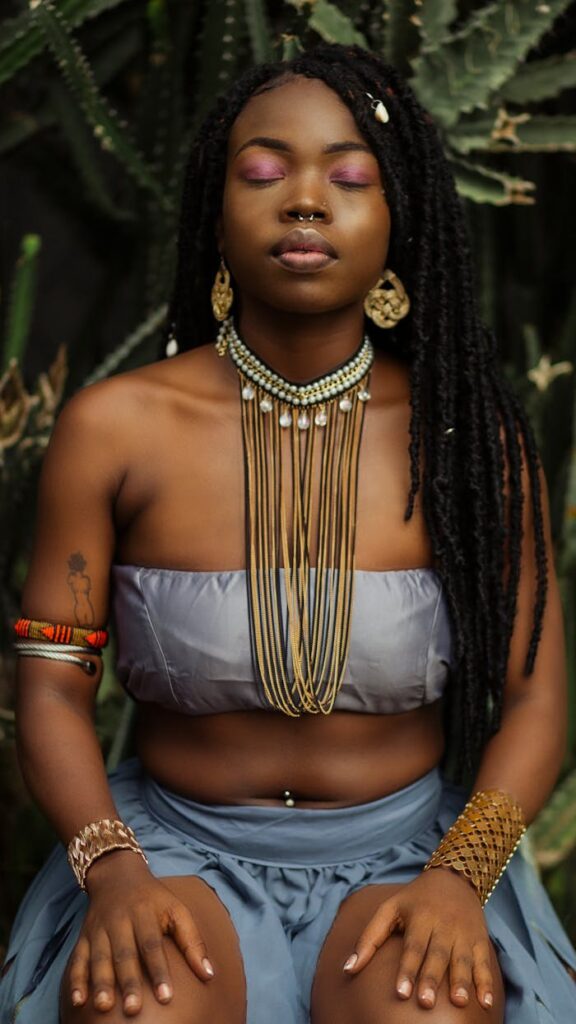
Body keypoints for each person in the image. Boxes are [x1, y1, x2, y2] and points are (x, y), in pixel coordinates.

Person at [1, 42, 575, 1024]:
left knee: (425, 1008)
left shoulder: (467, 438)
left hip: (414, 856)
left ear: (401, 220)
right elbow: (53, 683)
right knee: (140, 1005)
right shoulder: (114, 429)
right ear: (214, 214)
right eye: (264, 171)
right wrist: (112, 870)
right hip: (164, 847)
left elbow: (534, 695)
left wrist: (458, 879)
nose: (305, 199)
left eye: (350, 177)